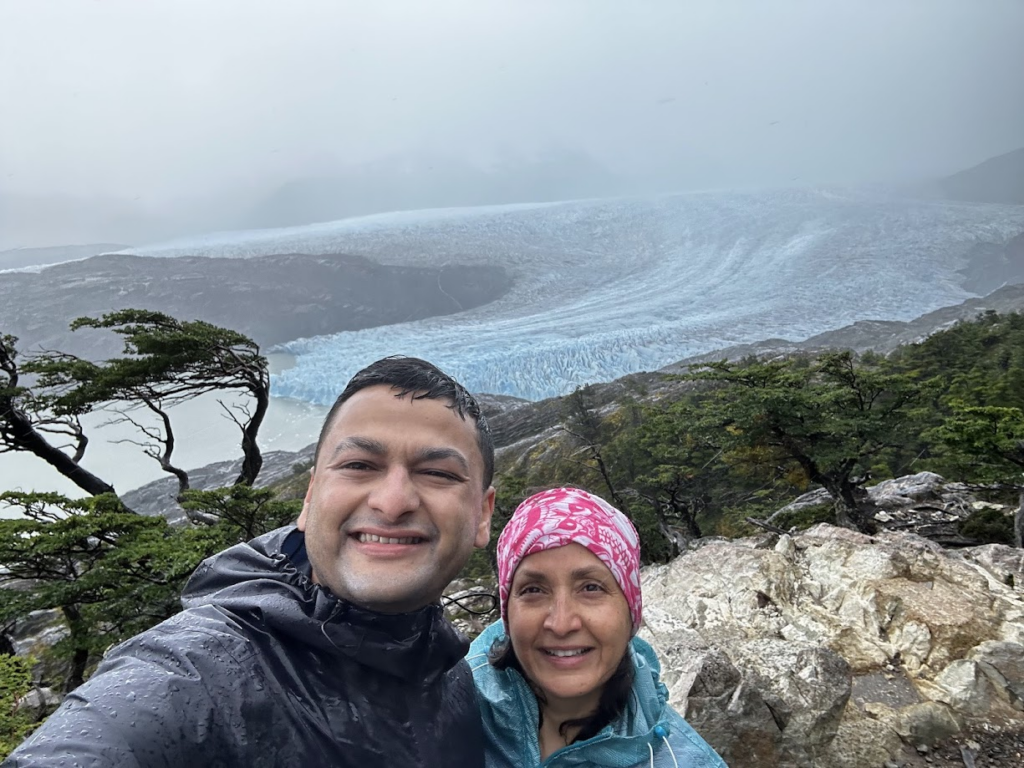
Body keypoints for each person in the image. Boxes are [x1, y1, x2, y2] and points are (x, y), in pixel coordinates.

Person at [5, 356, 496, 768]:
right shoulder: (201, 673)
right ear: (309, 497)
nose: (392, 502)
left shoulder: (456, 678)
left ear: (482, 514)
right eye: (358, 466)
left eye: (437, 473)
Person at [469, 487, 726, 767]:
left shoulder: (682, 760)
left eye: (591, 588)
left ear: (631, 610)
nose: (561, 624)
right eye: (533, 590)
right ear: (508, 612)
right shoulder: (447, 709)